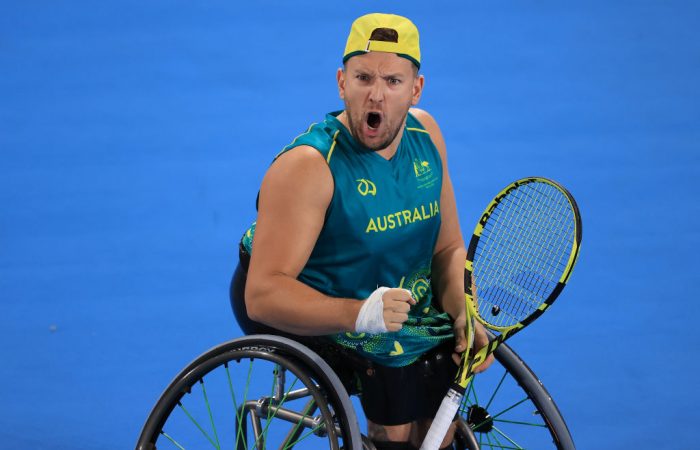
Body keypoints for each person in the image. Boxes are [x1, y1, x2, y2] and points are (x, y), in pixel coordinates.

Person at [230, 13, 494, 450]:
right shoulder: (308, 168)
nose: (376, 94)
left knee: (442, 368)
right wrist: (361, 314)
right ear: (341, 82)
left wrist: (464, 308)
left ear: (415, 90)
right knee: (393, 381)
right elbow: (262, 296)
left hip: (393, 299)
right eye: (363, 77)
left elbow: (447, 248)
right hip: (307, 301)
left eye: (392, 81)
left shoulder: (427, 135)